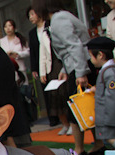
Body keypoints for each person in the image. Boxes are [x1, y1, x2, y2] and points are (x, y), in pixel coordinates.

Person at [31, 0, 103, 155]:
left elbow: (74, 46)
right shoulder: (61, 17)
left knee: (77, 108)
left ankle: (79, 149)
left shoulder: (59, 19)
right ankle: (97, 143)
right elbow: (70, 49)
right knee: (86, 106)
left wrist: (80, 73)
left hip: (80, 67)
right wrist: (66, 69)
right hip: (78, 66)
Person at [27, 7, 71, 135]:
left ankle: (73, 124)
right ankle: (65, 124)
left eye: (33, 13)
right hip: (50, 66)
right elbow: (41, 54)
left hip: (61, 63)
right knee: (54, 96)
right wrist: (41, 72)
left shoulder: (52, 25)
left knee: (66, 94)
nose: (31, 17)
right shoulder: (40, 33)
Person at [87, 36, 115, 150]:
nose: (90, 60)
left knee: (112, 138)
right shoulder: (108, 70)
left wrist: (109, 120)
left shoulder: (110, 72)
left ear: (100, 55)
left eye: (91, 56)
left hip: (111, 118)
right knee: (110, 139)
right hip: (110, 117)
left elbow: (114, 98)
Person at [0, 19, 30, 85]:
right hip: (8, 71)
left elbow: (28, 52)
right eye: (5, 27)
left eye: (10, 26)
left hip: (20, 69)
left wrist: (18, 54)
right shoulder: (1, 41)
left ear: (14, 27)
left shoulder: (20, 39)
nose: (8, 28)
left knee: (23, 90)